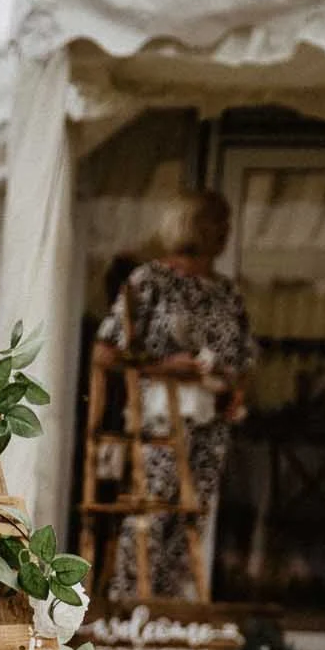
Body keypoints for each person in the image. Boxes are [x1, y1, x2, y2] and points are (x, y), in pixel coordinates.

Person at [92, 190, 255, 599]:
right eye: (218, 224)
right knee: (152, 510)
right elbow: (106, 352)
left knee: (192, 517)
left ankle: (171, 610)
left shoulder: (226, 292)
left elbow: (245, 355)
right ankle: (131, 606)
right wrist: (166, 366)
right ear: (195, 226)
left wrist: (234, 387)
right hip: (160, 417)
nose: (225, 233)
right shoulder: (151, 281)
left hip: (210, 419)